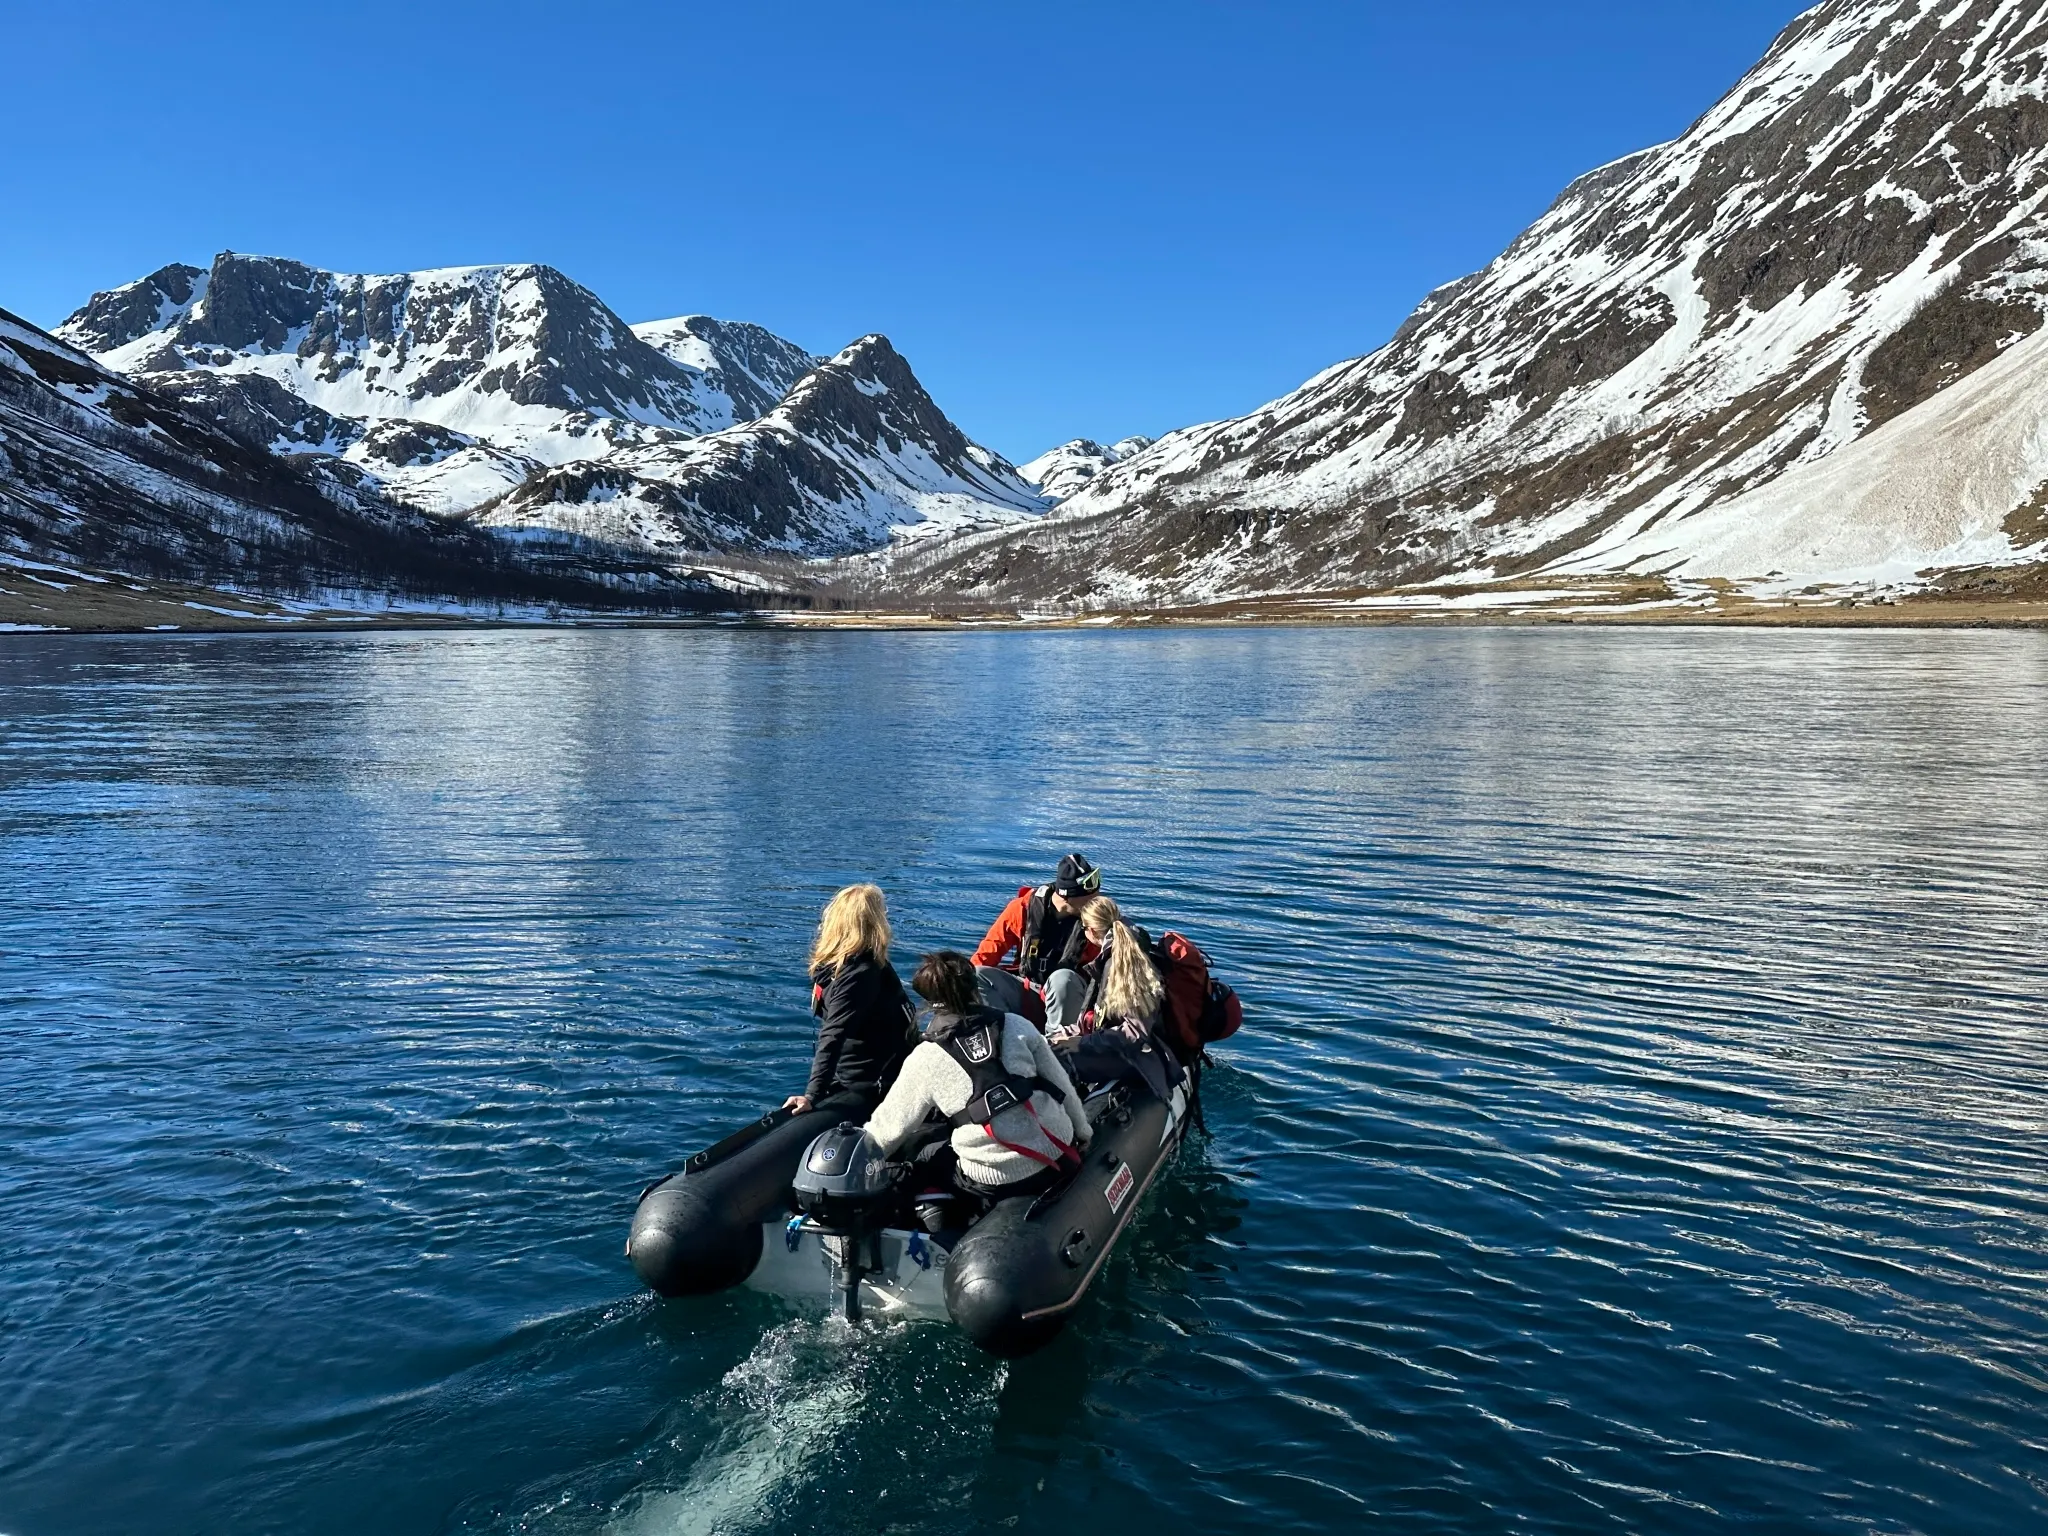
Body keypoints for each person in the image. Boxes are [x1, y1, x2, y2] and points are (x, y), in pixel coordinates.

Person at [864, 950, 1092, 1200]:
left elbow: (888, 1130)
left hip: (995, 1179)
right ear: (973, 988)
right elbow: (1062, 1086)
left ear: (929, 1001)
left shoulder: (925, 1057)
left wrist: (862, 1159)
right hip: (1057, 1151)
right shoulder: (1017, 1025)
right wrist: (1083, 1132)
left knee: (926, 1157)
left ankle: (934, 1209)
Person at [782, 883, 916, 1117]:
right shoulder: (861, 974)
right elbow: (833, 1034)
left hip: (869, 1070)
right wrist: (813, 1094)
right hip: (873, 1080)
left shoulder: (842, 966)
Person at [972, 853, 1104, 1020]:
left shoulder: (1096, 919)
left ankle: (1058, 1042)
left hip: (1070, 996)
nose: (1096, 904)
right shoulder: (1022, 908)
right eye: (1090, 901)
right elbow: (987, 953)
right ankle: (1004, 1032)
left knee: (1062, 979)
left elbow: (1108, 968)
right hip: (1028, 990)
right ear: (1066, 896)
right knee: (976, 974)